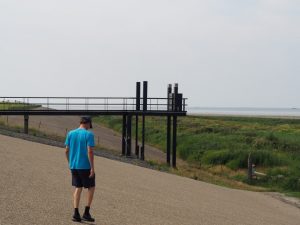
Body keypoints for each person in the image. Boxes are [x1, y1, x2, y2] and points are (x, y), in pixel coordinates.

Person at [65, 116, 96, 222]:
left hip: (74, 166)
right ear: (87, 123)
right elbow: (90, 151)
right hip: (85, 166)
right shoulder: (89, 134)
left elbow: (66, 150)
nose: (89, 127)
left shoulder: (70, 133)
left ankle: (76, 213)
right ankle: (86, 213)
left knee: (78, 188)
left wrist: (70, 163)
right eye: (89, 125)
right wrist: (92, 168)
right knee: (91, 187)